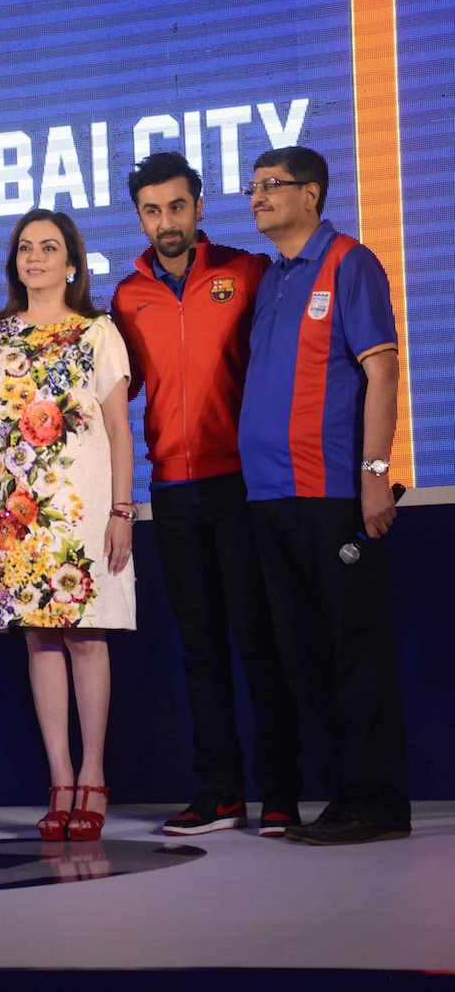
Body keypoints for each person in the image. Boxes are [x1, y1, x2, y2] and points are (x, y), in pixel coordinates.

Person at [113, 151, 301, 837]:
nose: (167, 221)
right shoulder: (126, 297)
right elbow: (114, 394)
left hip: (242, 486)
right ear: (140, 216)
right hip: (173, 488)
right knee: (200, 649)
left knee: (258, 641)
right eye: (152, 210)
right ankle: (220, 793)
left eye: (178, 207)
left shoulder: (246, 272)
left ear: (199, 207)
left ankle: (280, 793)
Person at [239, 145, 410, 845]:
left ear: (311, 194)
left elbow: (383, 369)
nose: (257, 198)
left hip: (332, 495)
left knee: (351, 651)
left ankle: (376, 803)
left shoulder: (349, 263)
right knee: (305, 655)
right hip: (271, 501)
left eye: (271, 186)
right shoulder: (273, 279)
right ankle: (344, 799)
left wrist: (374, 472)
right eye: (253, 188)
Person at [0, 208, 135, 842]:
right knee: (39, 640)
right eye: (25, 248)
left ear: (72, 264)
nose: (34, 257)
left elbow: (120, 432)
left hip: (84, 514)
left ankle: (94, 776)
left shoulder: (97, 333)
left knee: (87, 637)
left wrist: (122, 511)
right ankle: (59, 779)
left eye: (49, 247)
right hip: (19, 517)